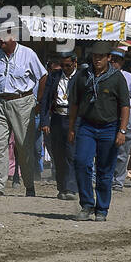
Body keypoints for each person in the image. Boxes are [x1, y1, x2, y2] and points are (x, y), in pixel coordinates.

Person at [68, 42, 130, 222]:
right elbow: (74, 104)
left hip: (109, 128)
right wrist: (72, 128)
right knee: (81, 162)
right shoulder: (83, 76)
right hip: (87, 126)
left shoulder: (117, 78)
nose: (97, 60)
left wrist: (122, 131)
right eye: (95, 56)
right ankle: (87, 204)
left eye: (101, 57)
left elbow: (125, 106)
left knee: (105, 170)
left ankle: (102, 208)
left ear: (109, 58)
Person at [0, 21, 45, 198]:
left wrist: (38, 101)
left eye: (4, 36)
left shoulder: (28, 54)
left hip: (22, 102)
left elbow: (43, 76)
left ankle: (29, 185)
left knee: (23, 145)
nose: (0, 39)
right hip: (0, 102)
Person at [39, 53, 77, 199]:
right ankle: (62, 187)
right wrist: (44, 122)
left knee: (71, 154)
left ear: (74, 63)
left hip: (72, 118)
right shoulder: (54, 76)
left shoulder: (80, 77)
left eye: (68, 65)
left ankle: (71, 188)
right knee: (58, 155)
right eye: (63, 65)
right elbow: (46, 100)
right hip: (56, 118)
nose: (65, 68)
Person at [109, 47, 131, 188]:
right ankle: (106, 178)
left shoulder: (128, 77)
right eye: (112, 59)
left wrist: (130, 115)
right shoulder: (104, 76)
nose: (113, 63)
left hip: (125, 115)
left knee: (123, 149)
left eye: (117, 60)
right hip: (108, 114)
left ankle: (118, 180)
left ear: (122, 62)